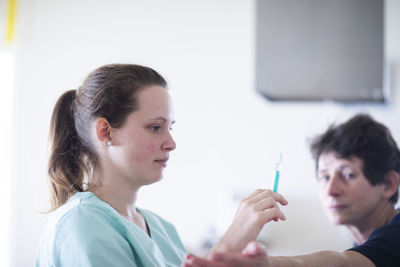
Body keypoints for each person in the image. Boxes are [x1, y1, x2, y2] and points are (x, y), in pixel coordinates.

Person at [35, 64, 288, 267]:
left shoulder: (161, 229)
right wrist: (228, 245)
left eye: (170, 127)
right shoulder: (80, 225)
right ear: (105, 132)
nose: (171, 143)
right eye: (155, 127)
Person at [184, 114, 400, 267]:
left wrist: (267, 265)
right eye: (324, 176)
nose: (331, 189)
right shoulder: (364, 243)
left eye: (347, 175)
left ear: (389, 184)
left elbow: (343, 263)